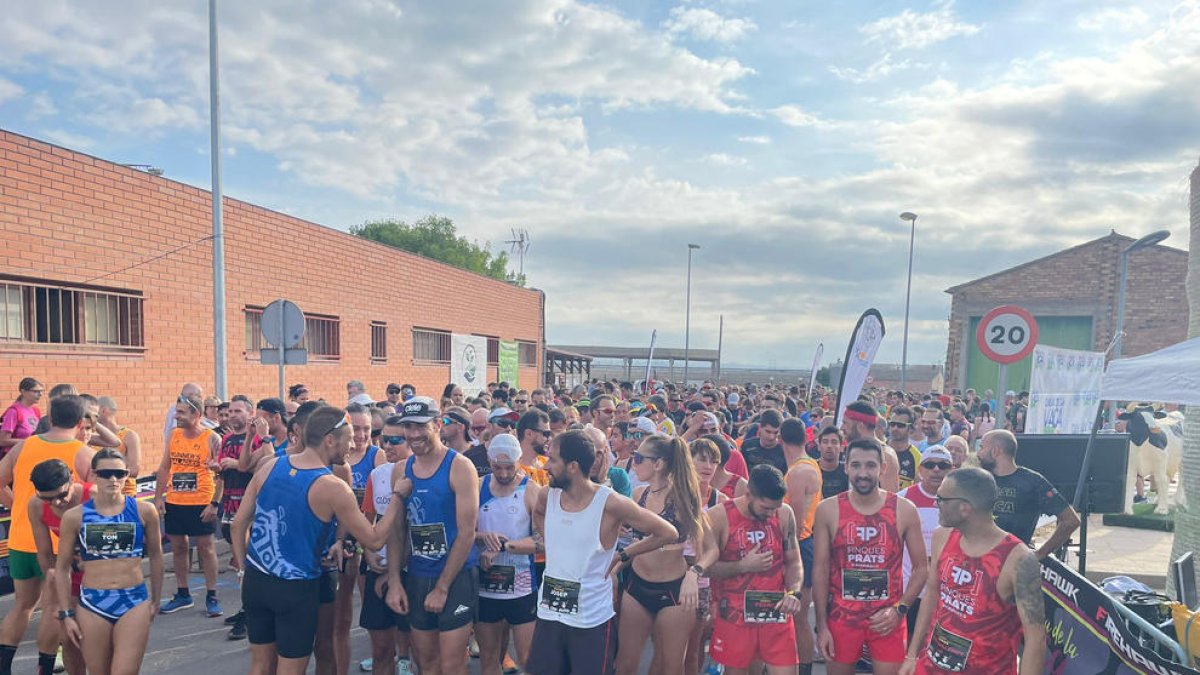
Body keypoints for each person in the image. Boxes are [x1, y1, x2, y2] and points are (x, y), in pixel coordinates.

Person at [233, 405, 403, 675]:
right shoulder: (332, 487)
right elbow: (373, 539)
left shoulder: (271, 465)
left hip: (256, 581)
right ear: (329, 440)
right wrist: (397, 497)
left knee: (261, 665)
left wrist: (243, 569)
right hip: (296, 587)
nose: (353, 445)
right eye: (348, 439)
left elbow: (238, 523)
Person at [507, 430, 676, 675]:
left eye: (553, 460)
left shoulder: (609, 502)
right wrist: (554, 541)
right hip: (550, 614)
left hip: (591, 621)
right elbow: (539, 514)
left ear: (573, 466)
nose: (546, 467)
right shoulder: (547, 496)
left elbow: (667, 533)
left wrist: (624, 554)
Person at [901, 468, 1047, 674]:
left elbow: (1035, 639)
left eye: (942, 498)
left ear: (964, 508)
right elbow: (932, 594)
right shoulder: (942, 536)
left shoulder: (1018, 559)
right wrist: (912, 655)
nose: (936, 503)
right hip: (932, 665)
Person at [813, 438, 928, 675]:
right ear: (846, 467)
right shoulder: (827, 509)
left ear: (882, 468)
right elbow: (821, 569)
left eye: (870, 466)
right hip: (842, 619)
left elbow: (921, 568)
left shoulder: (904, 509)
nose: (862, 473)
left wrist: (900, 610)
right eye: (856, 465)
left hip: (888, 619)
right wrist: (822, 625)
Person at [384, 397, 480, 675]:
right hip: (418, 575)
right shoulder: (401, 470)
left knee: (451, 665)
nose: (413, 434)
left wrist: (442, 587)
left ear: (438, 425)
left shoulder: (460, 467)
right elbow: (397, 531)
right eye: (409, 427)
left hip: (456, 577)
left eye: (421, 426)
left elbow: (466, 533)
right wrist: (393, 581)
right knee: (426, 664)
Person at [0, 395, 94, 675]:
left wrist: (17, 503)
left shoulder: (26, 445)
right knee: (54, 608)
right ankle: (44, 667)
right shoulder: (83, 452)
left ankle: (4, 667)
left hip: (19, 537)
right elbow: (95, 503)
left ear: (50, 418)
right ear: (80, 423)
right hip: (56, 541)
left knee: (22, 605)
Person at [55, 449, 165, 675]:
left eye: (119, 473)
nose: (113, 479)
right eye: (106, 473)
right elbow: (62, 567)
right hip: (93, 603)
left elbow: (156, 555)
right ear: (94, 475)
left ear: (127, 475)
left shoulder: (145, 511)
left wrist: (155, 599)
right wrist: (66, 613)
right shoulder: (75, 516)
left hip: (133, 601)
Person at [697, 465, 805, 675]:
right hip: (736, 614)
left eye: (776, 507)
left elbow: (794, 562)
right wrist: (743, 566)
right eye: (766, 508)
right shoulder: (718, 516)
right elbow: (705, 568)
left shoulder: (784, 514)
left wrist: (794, 592)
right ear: (749, 494)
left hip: (775, 610)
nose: (772, 513)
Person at [615, 435, 707, 675]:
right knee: (624, 664)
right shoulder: (638, 495)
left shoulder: (684, 498)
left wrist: (693, 575)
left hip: (673, 590)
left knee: (670, 667)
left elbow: (702, 546)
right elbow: (628, 536)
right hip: (637, 584)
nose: (633, 463)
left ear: (658, 464)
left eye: (638, 458)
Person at [473, 434, 543, 675]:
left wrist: (503, 546)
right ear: (489, 461)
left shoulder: (531, 490)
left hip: (521, 588)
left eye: (509, 467)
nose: (503, 474)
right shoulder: (478, 485)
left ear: (519, 461)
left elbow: (542, 541)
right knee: (489, 659)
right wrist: (482, 538)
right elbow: (463, 533)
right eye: (497, 467)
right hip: (485, 587)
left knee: (528, 658)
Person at [155, 392, 223, 617]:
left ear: (197, 414)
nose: (176, 416)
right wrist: (158, 497)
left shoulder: (211, 438)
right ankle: (183, 594)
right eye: (176, 411)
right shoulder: (174, 435)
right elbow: (164, 467)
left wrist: (214, 504)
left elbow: (221, 473)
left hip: (202, 501)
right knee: (178, 548)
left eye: (181, 412)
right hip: (175, 500)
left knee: (206, 548)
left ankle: (212, 595)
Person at [359, 415, 414, 675]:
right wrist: (367, 550)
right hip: (378, 566)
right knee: (381, 650)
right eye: (384, 439)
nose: (388, 445)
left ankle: (404, 658)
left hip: (415, 572)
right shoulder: (376, 474)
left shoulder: (424, 474)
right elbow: (367, 520)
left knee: (423, 652)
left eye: (396, 440)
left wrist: (396, 572)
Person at [28, 458, 92, 675]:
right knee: (70, 638)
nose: (56, 503)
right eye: (48, 498)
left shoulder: (93, 496)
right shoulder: (36, 505)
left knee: (99, 641)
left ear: (72, 479)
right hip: (70, 574)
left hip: (104, 575)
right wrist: (56, 587)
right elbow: (45, 554)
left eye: (62, 495)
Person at [978, 430, 1079, 558]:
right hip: (977, 559)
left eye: (981, 447)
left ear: (995, 451)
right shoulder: (979, 479)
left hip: (1012, 563)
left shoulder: (1033, 482)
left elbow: (1071, 520)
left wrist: (1040, 554)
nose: (978, 453)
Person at [215, 395, 265, 640]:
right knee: (239, 563)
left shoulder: (257, 439)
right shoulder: (226, 438)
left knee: (249, 562)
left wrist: (235, 463)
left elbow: (258, 467)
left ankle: (250, 613)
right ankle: (246, 607)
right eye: (230, 411)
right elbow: (225, 473)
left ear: (249, 412)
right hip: (230, 502)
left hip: (250, 506)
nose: (232, 415)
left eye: (237, 411)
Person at [896, 446, 951, 639]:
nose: (936, 470)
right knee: (907, 638)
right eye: (930, 465)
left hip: (944, 590)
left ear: (951, 470)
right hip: (909, 586)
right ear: (920, 470)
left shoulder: (960, 503)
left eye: (943, 465)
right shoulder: (902, 499)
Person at [781, 418, 822, 675]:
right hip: (805, 541)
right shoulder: (809, 465)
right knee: (794, 616)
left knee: (796, 616)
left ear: (781, 440)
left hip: (800, 543)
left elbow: (792, 520)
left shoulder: (798, 472)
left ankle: (802, 668)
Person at [843, 401, 899, 492]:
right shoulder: (849, 449)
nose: (842, 427)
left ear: (860, 426)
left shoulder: (886, 455)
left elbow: (891, 499)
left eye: (845, 423)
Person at [95, 397, 140, 496]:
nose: (92, 415)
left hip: (125, 494)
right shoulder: (92, 436)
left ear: (103, 411)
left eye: (94, 411)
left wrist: (107, 473)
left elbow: (134, 471)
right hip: (100, 495)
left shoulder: (129, 435)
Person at [1, 377, 43, 453]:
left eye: (41, 391)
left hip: (30, 453)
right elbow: (2, 440)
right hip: (14, 456)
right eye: (35, 391)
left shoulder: (36, 411)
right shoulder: (14, 411)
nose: (40, 394)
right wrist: (27, 442)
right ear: (23, 392)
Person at [740, 409, 788, 475]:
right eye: (768, 431)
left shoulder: (785, 453)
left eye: (776, 432)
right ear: (760, 428)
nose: (771, 437)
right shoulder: (747, 446)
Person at [885, 406, 922, 491]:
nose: (895, 428)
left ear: (911, 429)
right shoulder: (879, 449)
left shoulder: (917, 457)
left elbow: (918, 489)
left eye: (900, 425)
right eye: (892, 424)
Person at [816, 426, 849, 498]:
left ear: (841, 447)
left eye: (834, 442)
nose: (829, 446)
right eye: (825, 442)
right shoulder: (810, 469)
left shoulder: (848, 471)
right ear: (818, 446)